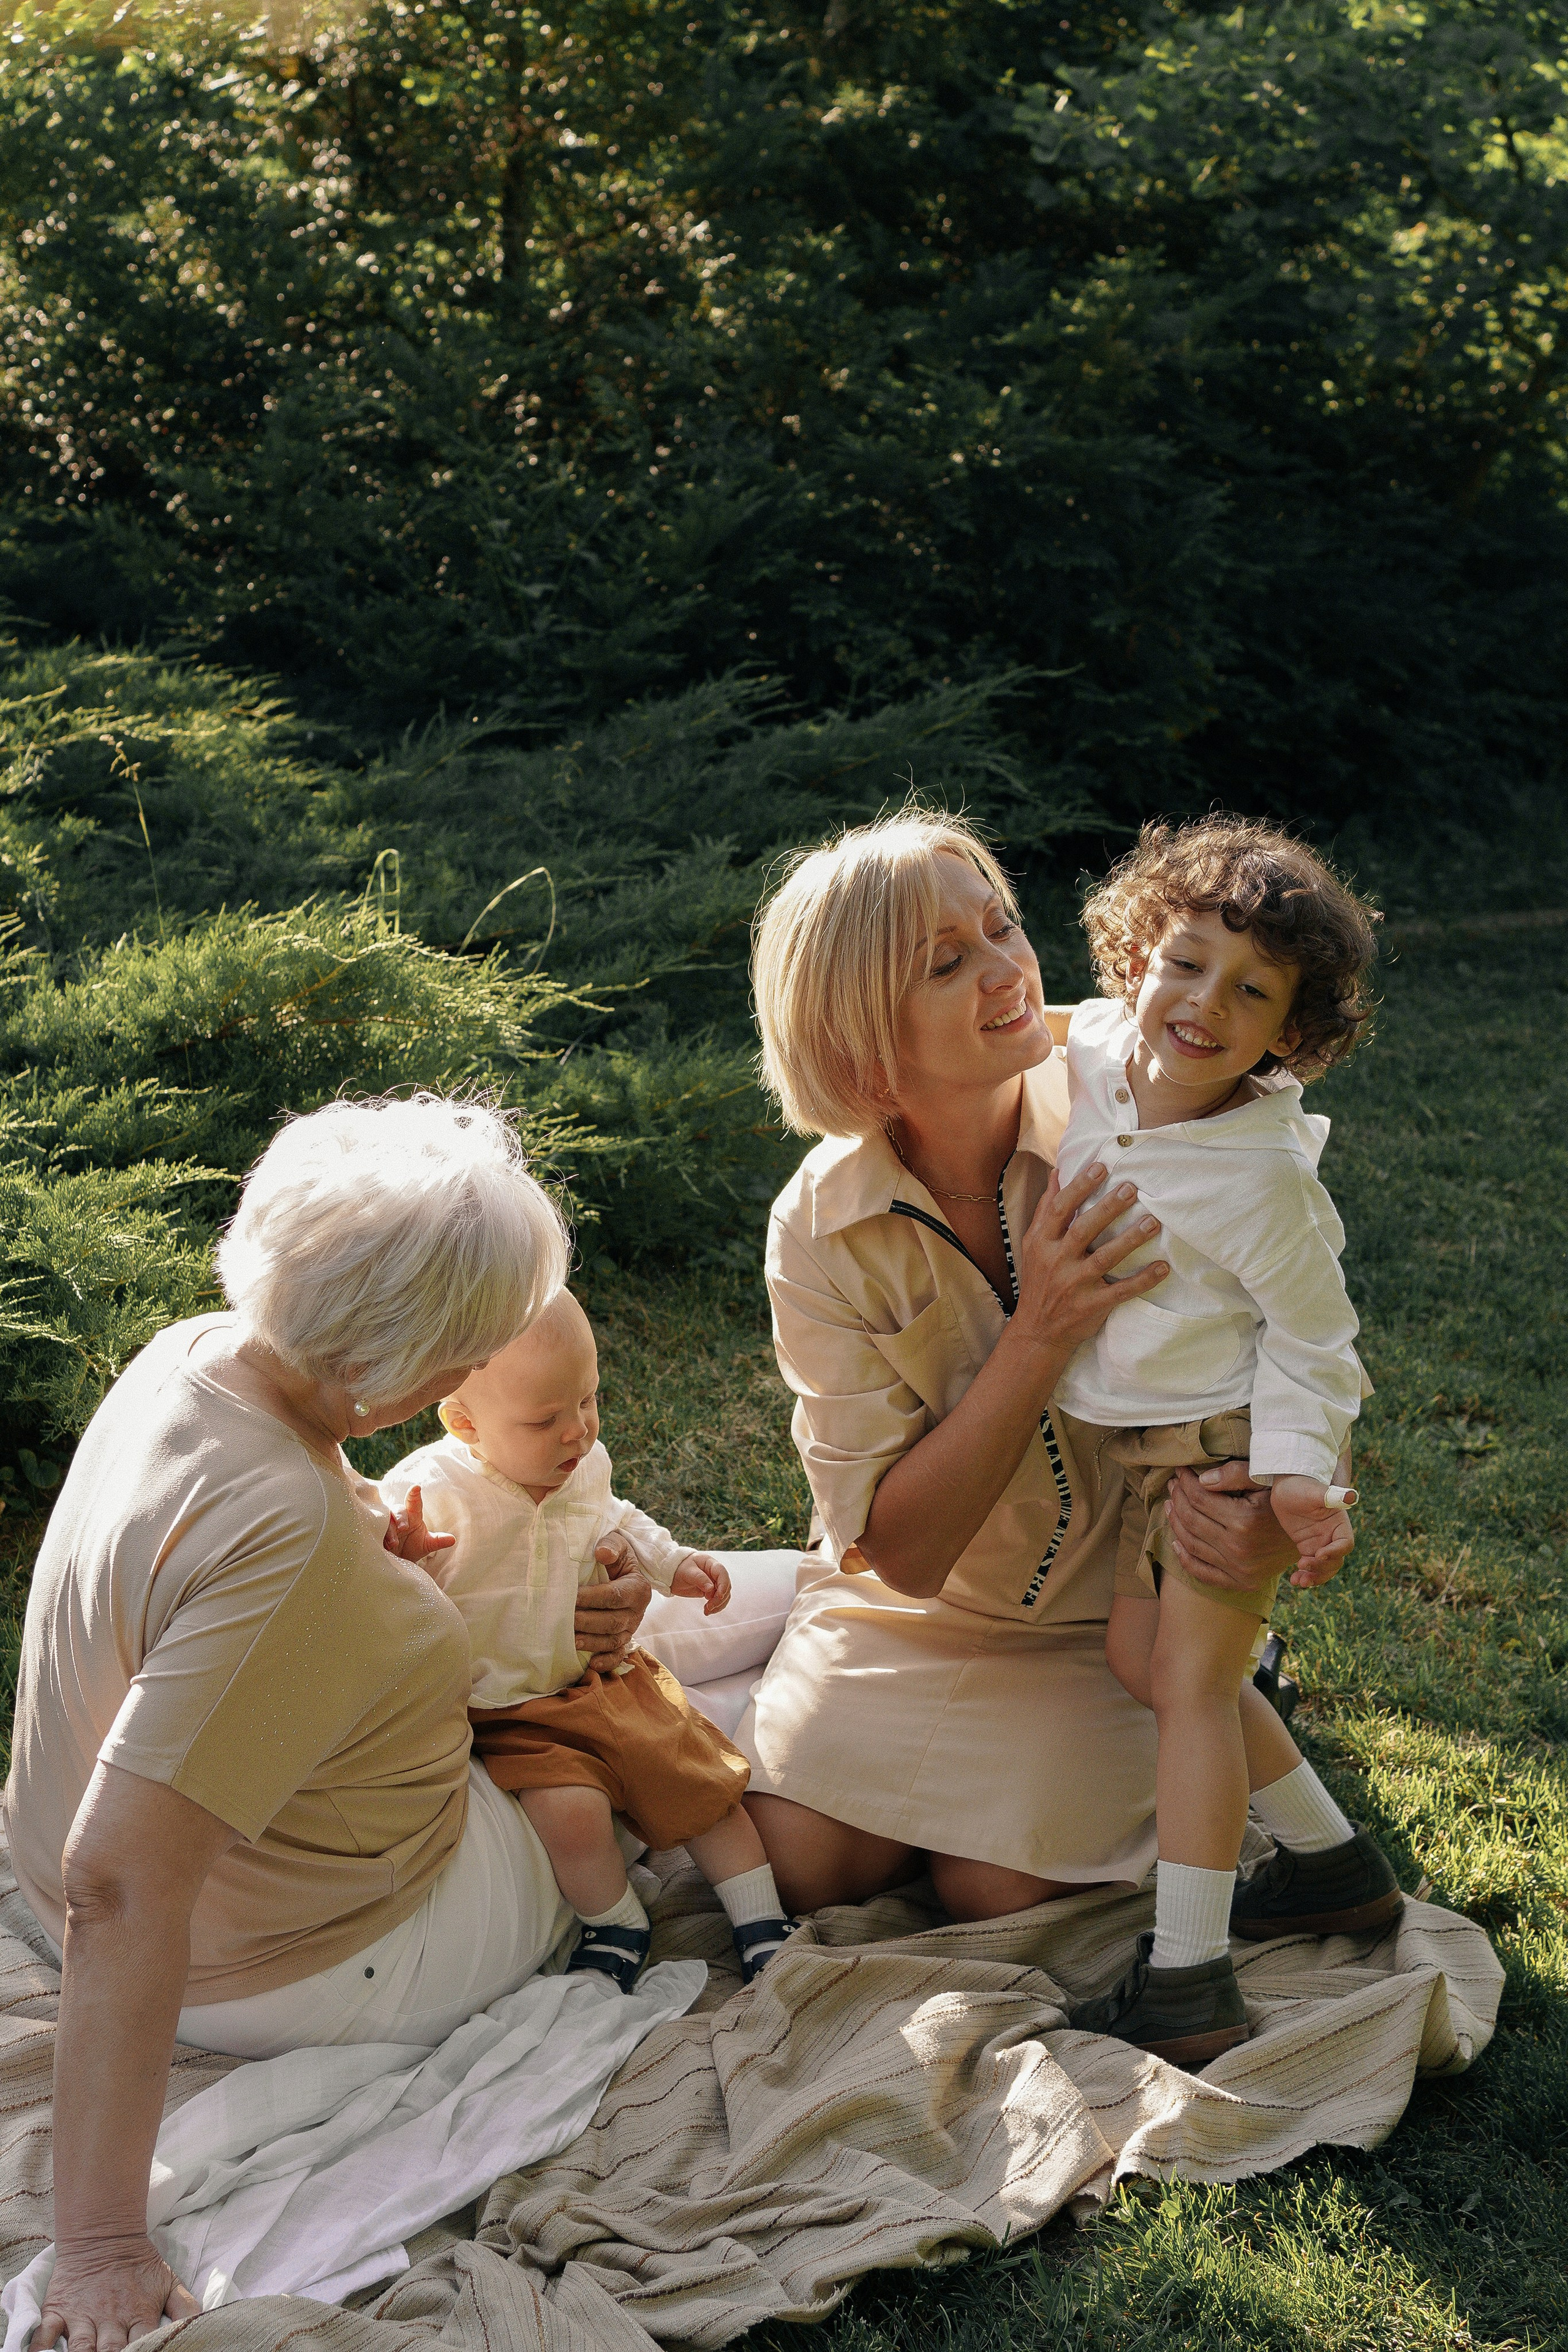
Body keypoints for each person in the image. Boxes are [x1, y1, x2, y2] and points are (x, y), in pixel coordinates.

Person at [4, 1094, 657, 2352]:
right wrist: (96, 2245)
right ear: (393, 1357)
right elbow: (121, 1886)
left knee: (605, 1623)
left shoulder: (194, 1356)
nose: (467, 1379)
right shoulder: (294, 1553)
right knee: (633, 1721)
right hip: (296, 1962)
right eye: (464, 1353)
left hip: (148, 1891)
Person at [739, 806, 1370, 1947]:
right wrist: (1041, 1334)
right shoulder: (817, 1229)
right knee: (803, 1865)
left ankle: (1224, 1694)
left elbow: (1299, 1316)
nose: (1009, 971)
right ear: (860, 1042)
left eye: (1002, 927)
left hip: (1108, 1616)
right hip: (913, 1610)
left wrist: (1281, 1508)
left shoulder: (1152, 1093)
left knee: (999, 1889)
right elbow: (904, 1554)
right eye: (947, 962)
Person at [1053, 818, 1403, 2067]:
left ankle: (1188, 1979)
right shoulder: (1098, 1052)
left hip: (1223, 1458)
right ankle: (1332, 1869)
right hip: (1140, 1456)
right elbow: (1054, 1029)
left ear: (1287, 1038)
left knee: (1194, 1694)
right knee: (1141, 1660)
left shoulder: (1260, 1178)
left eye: (1249, 993)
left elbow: (1316, 1344)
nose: (1202, 1005)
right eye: (1183, 963)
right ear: (1137, 955)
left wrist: (1300, 1482)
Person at [382, 1292, 795, 1992]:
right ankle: (616, 1922)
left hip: (604, 1678)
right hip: (511, 1710)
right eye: (545, 1419)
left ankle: (762, 1920)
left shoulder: (583, 1463)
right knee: (570, 1816)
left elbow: (618, 1515)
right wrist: (405, 1553)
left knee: (700, 1780)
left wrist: (675, 1562)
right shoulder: (433, 1489)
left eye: (588, 1400)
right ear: (463, 1423)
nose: (577, 1432)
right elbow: (383, 1583)